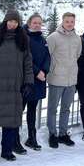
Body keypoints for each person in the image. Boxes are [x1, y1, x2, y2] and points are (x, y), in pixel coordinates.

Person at [0, 11, 34, 164]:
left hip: (14, 88)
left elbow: (28, 63)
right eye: (10, 21)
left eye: (15, 22)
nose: (12, 24)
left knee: (10, 123)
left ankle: (7, 151)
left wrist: (28, 82)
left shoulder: (23, 40)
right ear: (5, 21)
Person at [46, 12, 82, 148]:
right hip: (56, 78)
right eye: (67, 21)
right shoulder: (53, 37)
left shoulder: (77, 39)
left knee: (66, 108)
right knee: (52, 109)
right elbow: (47, 55)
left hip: (71, 80)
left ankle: (63, 134)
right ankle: (52, 134)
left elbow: (77, 55)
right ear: (62, 22)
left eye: (72, 21)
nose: (69, 24)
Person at [21, 13, 50, 151]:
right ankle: (13, 139)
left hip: (39, 80)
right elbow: (24, 58)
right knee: (19, 110)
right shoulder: (23, 38)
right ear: (29, 23)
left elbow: (47, 57)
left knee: (32, 110)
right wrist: (37, 71)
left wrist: (44, 71)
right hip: (26, 79)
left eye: (39, 23)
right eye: (34, 23)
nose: (37, 25)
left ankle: (31, 138)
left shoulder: (42, 39)